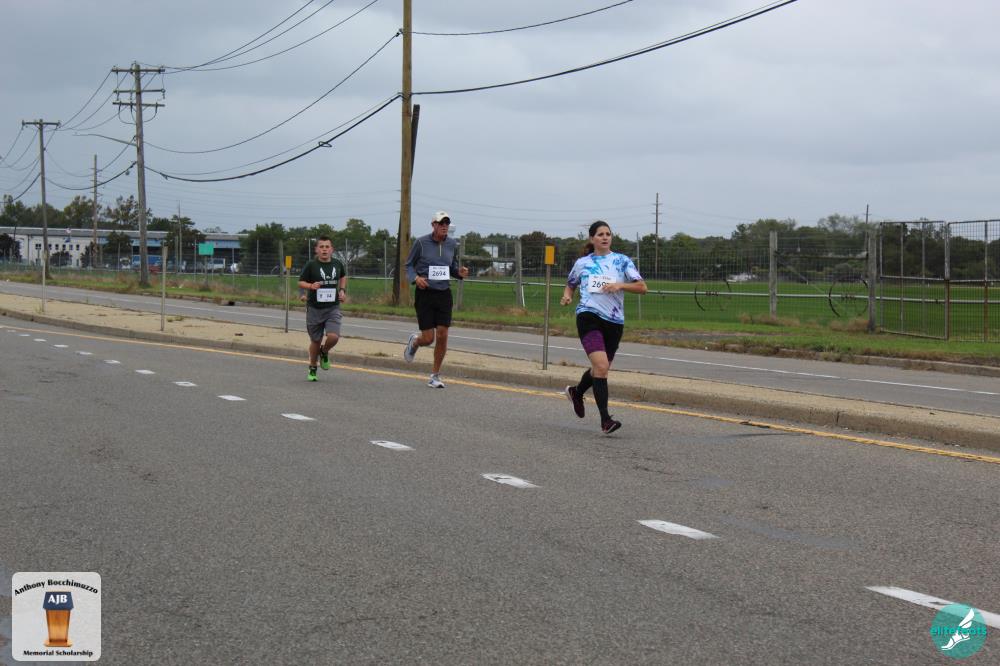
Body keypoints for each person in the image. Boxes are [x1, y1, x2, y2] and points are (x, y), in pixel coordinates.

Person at [560, 220, 647, 434]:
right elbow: (571, 284)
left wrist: (620, 285)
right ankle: (606, 420)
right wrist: (567, 296)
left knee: (601, 368)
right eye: (600, 234)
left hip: (614, 321)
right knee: (601, 366)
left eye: (608, 234)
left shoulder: (622, 261)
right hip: (588, 316)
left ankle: (576, 392)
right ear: (592, 239)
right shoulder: (582, 263)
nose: (605, 237)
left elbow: (642, 287)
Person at [402, 211, 469, 388]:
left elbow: (451, 267)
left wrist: (460, 273)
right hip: (425, 293)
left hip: (444, 293)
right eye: (441, 223)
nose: (444, 226)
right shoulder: (421, 243)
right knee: (428, 338)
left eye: (447, 223)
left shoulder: (452, 244)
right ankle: (415, 342)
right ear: (433, 225)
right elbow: (408, 265)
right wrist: (416, 278)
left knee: (443, 334)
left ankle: (435, 376)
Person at [297, 236, 347, 381]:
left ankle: (324, 352)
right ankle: (313, 367)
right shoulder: (311, 265)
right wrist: (311, 286)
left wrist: (342, 290)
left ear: (332, 249)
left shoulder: (337, 264)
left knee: (334, 336)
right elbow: (301, 282)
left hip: (332, 307)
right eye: (321, 247)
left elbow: (343, 276)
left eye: (327, 247)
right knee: (316, 341)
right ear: (316, 250)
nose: (324, 249)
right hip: (314, 308)